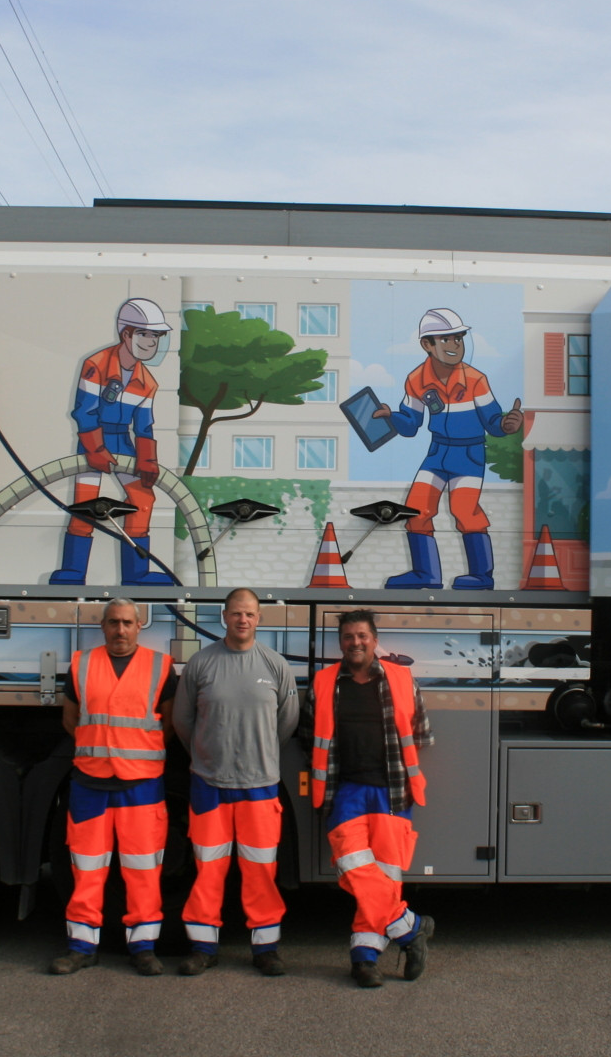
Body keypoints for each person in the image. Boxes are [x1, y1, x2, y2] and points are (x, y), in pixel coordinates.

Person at [169, 588, 300, 976]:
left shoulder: (276, 665)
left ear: (259, 619)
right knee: (208, 868)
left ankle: (265, 948)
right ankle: (203, 947)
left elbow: (287, 721)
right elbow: (182, 720)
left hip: (259, 785)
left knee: (260, 869)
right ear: (224, 617)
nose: (243, 620)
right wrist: (206, 755)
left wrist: (258, 753)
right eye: (236, 613)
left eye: (250, 614)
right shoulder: (200, 664)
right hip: (209, 783)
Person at [304, 609, 435, 988]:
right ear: (340, 642)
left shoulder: (401, 679)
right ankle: (410, 930)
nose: (355, 642)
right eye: (348, 637)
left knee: (385, 879)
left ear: (374, 640)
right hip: (344, 791)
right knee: (356, 870)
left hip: (393, 793)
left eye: (362, 636)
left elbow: (422, 733)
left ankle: (364, 958)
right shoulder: (325, 682)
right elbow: (308, 732)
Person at [51, 598, 178, 976]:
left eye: (126, 623)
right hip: (90, 782)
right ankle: (81, 947)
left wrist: (137, 753)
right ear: (102, 627)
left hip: (141, 784)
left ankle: (142, 948)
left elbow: (169, 723)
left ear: (139, 626)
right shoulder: (82, 665)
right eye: (112, 623)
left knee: (142, 870)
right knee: (87, 869)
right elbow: (70, 718)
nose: (120, 630)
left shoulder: (160, 666)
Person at [373, 307, 524, 590]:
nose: (454, 345)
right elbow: (411, 424)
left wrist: (508, 424)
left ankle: (482, 575)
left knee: (464, 509)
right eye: (445, 339)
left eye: (458, 338)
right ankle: (426, 575)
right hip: (437, 453)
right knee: (416, 509)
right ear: (426, 345)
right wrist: (391, 416)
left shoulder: (476, 379)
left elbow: (492, 421)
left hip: (469, 454)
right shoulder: (416, 379)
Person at [51, 297, 175, 586]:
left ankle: (136, 573)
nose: (150, 342)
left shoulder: (148, 382)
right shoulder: (96, 365)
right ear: (126, 334)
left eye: (155, 336)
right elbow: (84, 411)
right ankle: (73, 572)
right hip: (92, 437)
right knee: (86, 502)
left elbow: (144, 424)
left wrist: (147, 459)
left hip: (122, 441)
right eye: (144, 334)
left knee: (143, 497)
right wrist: (94, 448)